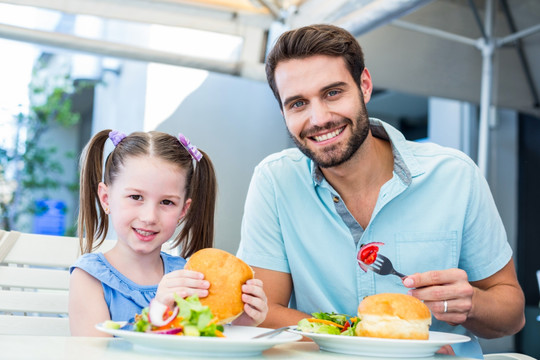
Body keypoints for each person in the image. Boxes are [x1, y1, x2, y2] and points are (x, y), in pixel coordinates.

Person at [236, 24, 525, 358]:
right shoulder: (275, 181)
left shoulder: (455, 176)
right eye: (298, 104)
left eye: (333, 93)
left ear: (365, 85)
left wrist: (472, 304)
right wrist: (365, 339)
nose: (319, 118)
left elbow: (511, 314)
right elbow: (260, 313)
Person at [70, 130, 267, 336]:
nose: (149, 217)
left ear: (183, 209)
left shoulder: (190, 277)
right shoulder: (89, 278)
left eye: (167, 202)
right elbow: (95, 354)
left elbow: (206, 347)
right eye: (136, 197)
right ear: (106, 198)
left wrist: (239, 324)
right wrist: (159, 314)